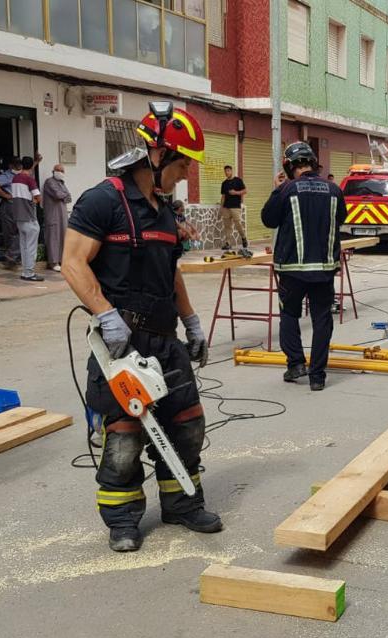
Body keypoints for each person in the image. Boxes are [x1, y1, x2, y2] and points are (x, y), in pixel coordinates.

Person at [62, 103, 218, 553]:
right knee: (125, 439)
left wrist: (191, 322)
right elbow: (72, 263)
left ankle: (182, 505)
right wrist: (106, 315)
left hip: (165, 340)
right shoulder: (103, 200)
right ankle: (123, 519)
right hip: (121, 342)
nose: (187, 172)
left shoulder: (164, 209)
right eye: (184, 162)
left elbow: (171, 272)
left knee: (187, 425)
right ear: (159, 154)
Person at [261, 142, 346, 392]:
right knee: (322, 320)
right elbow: (340, 218)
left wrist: (277, 191)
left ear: (289, 167)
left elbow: (268, 219)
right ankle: (317, 376)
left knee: (289, 315)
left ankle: (296, 364)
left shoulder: (287, 189)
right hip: (323, 269)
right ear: (313, 163)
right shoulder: (334, 190)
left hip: (292, 270)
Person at [11, 156, 44, 281]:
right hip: (29, 217)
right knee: (31, 247)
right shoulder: (30, 180)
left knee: (24, 246)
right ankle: (29, 273)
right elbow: (38, 197)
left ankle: (25, 272)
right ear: (31, 166)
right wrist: (34, 201)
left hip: (18, 217)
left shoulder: (15, 178)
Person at [0, 158, 21, 270]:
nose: (18, 168)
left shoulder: (21, 174)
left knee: (21, 231)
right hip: (10, 205)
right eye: (16, 166)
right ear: (11, 166)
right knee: (10, 233)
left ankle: (12, 258)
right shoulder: (7, 176)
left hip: (20, 205)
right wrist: (6, 195)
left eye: (20, 166)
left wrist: (36, 162)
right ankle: (11, 260)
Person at [43, 163, 71, 272]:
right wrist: (64, 195)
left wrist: (64, 195)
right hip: (53, 215)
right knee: (54, 237)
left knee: (63, 237)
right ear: (53, 171)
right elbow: (58, 195)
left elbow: (69, 197)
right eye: (58, 170)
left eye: (62, 170)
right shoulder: (49, 182)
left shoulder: (61, 183)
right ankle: (53, 262)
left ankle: (61, 260)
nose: (60, 172)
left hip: (62, 215)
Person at [219, 165, 249, 255]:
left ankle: (243, 237)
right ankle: (228, 243)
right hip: (226, 207)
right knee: (227, 226)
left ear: (231, 171)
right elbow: (223, 196)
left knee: (238, 223)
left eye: (228, 171)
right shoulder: (224, 183)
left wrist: (235, 192)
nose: (226, 172)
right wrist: (221, 207)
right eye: (225, 171)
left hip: (235, 206)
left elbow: (245, 191)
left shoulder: (238, 180)